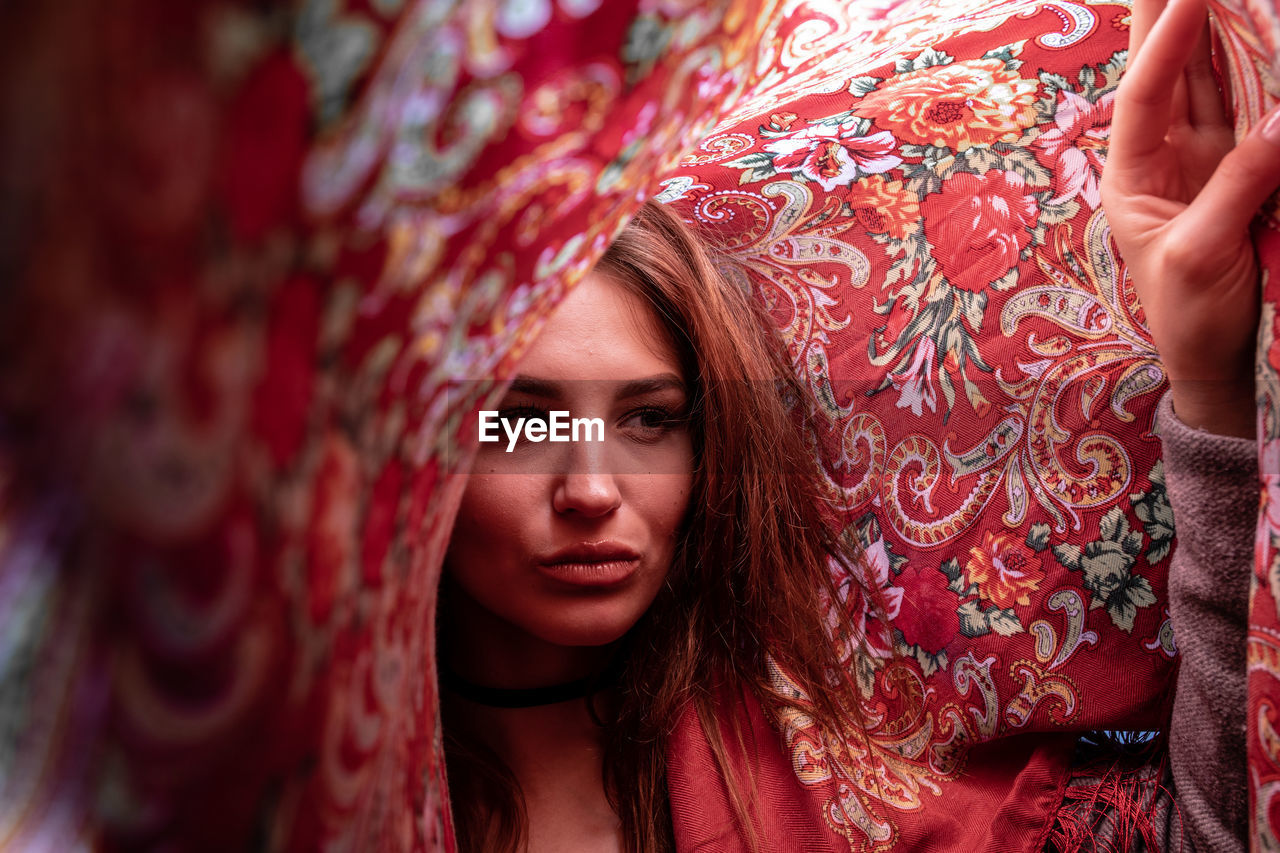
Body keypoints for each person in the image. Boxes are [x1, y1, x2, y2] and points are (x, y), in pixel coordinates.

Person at [435, 0, 1280, 848]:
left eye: (651, 419)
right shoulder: (328, 790)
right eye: (520, 423)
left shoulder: (845, 776)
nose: (591, 488)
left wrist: (1213, 379)